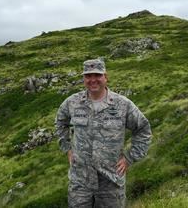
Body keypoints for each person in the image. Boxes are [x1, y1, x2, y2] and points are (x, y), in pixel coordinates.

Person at [55, 58, 152, 207]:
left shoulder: (123, 104)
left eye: (97, 75)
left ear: (105, 77)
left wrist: (129, 158)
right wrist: (67, 148)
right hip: (80, 181)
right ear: (83, 79)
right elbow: (60, 122)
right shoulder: (72, 103)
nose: (93, 80)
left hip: (111, 182)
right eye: (88, 76)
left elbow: (143, 129)